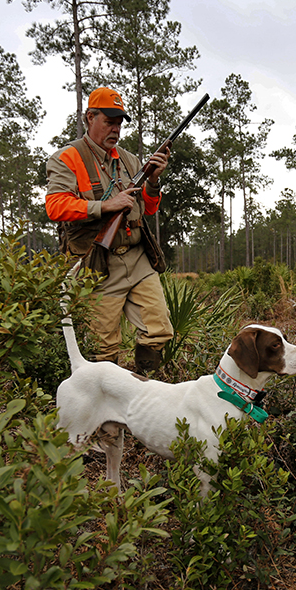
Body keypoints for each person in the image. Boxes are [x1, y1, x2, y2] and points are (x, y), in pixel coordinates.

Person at [45, 86, 173, 375]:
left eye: (119, 123)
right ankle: (107, 408)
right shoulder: (66, 158)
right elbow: (55, 206)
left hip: (138, 258)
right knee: (102, 350)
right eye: (109, 121)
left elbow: (149, 208)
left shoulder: (130, 160)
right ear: (90, 117)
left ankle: (140, 390)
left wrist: (153, 181)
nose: (115, 129)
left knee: (160, 331)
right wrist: (104, 207)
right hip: (98, 262)